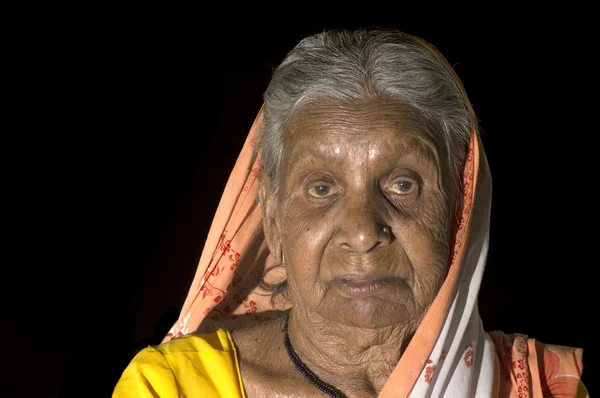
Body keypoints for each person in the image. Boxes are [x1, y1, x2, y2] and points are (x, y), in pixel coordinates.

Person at [112, 28, 587, 397]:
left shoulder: (543, 388)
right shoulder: (172, 387)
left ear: (460, 215)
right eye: (321, 188)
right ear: (273, 221)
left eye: (403, 184)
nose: (362, 232)